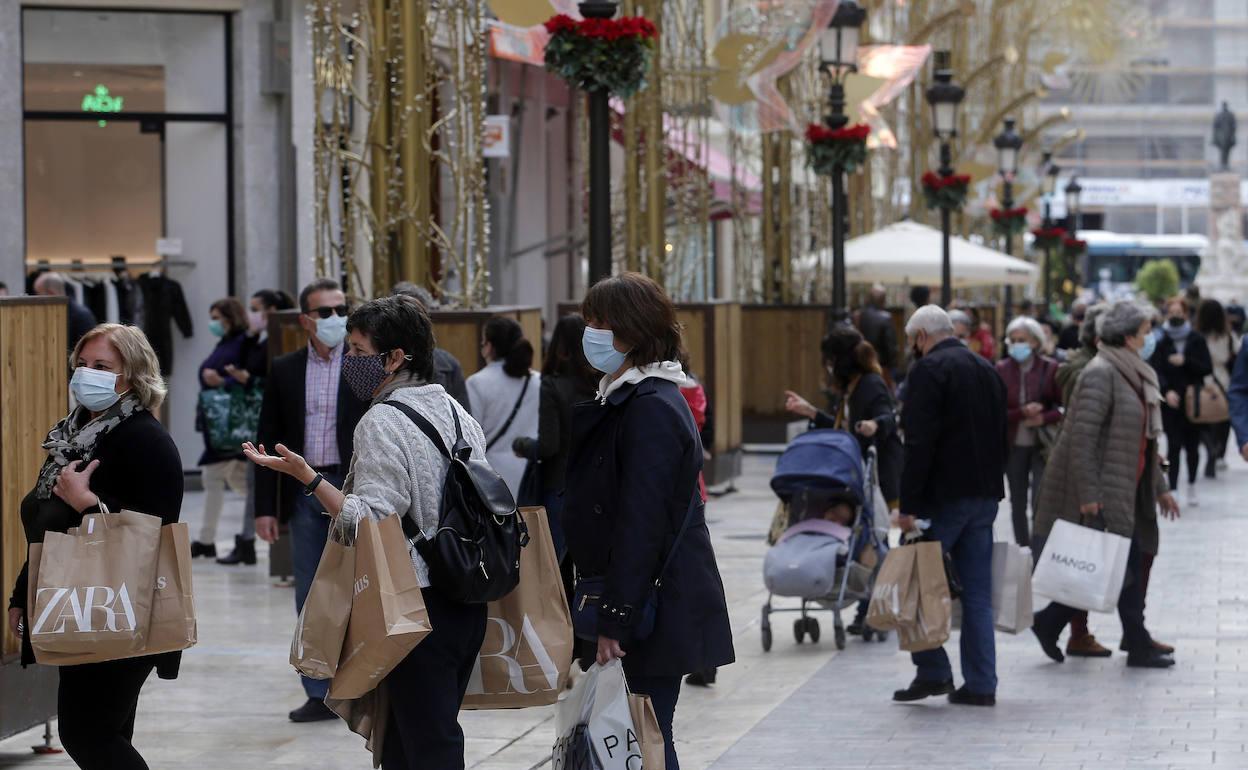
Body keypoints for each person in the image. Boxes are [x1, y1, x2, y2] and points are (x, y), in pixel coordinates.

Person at [244, 294, 488, 769]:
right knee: (407, 738)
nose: (348, 363)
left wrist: (309, 479)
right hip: (464, 594)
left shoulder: (381, 421)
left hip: (412, 603)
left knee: (427, 745)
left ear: (395, 358)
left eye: (357, 352)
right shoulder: (458, 412)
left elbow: (370, 521)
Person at [563, 272, 735, 769]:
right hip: (642, 601)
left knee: (644, 736)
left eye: (599, 323)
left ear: (632, 331)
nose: (589, 333)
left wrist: (616, 619)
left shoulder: (651, 406)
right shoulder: (629, 398)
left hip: (652, 607)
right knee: (637, 737)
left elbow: (642, 522)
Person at [7, 324, 182, 769]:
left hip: (122, 604)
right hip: (77, 599)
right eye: (82, 365)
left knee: (87, 734)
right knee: (107, 732)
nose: (87, 375)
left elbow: (156, 530)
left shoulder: (146, 439)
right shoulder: (72, 438)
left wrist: (89, 503)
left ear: (133, 375)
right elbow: (48, 524)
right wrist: (20, 595)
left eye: (102, 367)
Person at [1031, 301, 1181, 669]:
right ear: (1128, 336)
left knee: (1116, 564)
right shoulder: (1101, 373)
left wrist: (1159, 485)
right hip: (1106, 488)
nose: (1149, 339)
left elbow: (1144, 439)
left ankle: (1051, 623)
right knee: (1121, 564)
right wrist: (1089, 495)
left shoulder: (1135, 372)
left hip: (1129, 486)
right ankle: (1135, 641)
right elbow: (1081, 438)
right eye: (1145, 332)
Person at [252, 278, 370, 722]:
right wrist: (264, 507)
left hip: (354, 487)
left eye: (341, 309)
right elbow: (267, 437)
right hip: (305, 490)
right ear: (305, 319)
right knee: (310, 591)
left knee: (361, 589)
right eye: (324, 312)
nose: (335, 319)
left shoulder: (361, 365)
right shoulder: (284, 369)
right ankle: (319, 691)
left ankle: (361, 685)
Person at [891, 305, 1007, 707]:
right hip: (985, 496)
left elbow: (919, 443)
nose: (913, 350)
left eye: (913, 342)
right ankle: (981, 683)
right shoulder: (985, 367)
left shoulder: (928, 372)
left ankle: (933, 671)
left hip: (944, 498)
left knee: (919, 583)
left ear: (922, 335)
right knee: (976, 594)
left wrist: (907, 505)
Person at [784, 326, 903, 637]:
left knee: (876, 541)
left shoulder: (871, 385)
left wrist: (874, 425)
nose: (828, 366)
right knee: (869, 540)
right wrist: (809, 410)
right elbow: (842, 429)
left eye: (831, 359)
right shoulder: (851, 387)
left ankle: (874, 610)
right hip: (853, 475)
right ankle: (868, 609)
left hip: (876, 476)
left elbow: (889, 418)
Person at [511, 313, 599, 569]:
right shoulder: (600, 385)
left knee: (551, 569)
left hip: (559, 486)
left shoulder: (552, 386)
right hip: (595, 487)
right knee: (587, 568)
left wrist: (522, 445)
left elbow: (549, 445)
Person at [1050, 302, 1113, 658]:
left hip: (1089, 468)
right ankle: (1064, 626)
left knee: (1086, 551)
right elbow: (1086, 430)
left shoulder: (1085, 366)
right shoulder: (1088, 370)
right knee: (1085, 552)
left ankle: (1073, 628)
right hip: (1085, 471)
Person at [217, 288, 295, 566]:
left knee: (257, 478)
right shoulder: (259, 340)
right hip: (252, 418)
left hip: (268, 421)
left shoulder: (281, 342)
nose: (252, 314)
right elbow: (242, 361)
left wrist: (247, 378)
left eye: (256, 308)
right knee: (250, 480)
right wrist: (250, 336)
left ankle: (248, 540)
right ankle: (246, 539)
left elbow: (260, 376)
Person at [192, 297, 253, 558]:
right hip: (220, 424)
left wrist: (222, 381)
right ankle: (215, 538)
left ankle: (226, 537)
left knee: (229, 479)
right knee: (224, 478)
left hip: (231, 424)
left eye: (217, 317)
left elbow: (250, 377)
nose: (213, 323)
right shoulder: (227, 343)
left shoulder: (242, 344)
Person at [995, 317, 1062, 548]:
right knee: (1017, 502)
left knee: (1040, 502)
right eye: (1012, 340)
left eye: (1021, 340)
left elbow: (1063, 408)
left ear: (1034, 341)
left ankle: (1039, 551)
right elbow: (996, 411)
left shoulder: (1050, 367)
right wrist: (1021, 413)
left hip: (1043, 445)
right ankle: (1023, 550)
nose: (1016, 345)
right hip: (1013, 445)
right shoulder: (1001, 369)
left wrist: (1044, 417)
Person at [465, 316, 539, 497]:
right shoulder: (539, 381)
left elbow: (472, 435)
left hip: (494, 478)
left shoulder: (477, 383)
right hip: (533, 475)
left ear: (489, 346)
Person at [1149, 296, 1212, 506]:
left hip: (1193, 401)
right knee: (1173, 446)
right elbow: (1155, 369)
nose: (1175, 316)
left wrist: (1186, 361)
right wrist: (1166, 391)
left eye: (1179, 312)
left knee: (1192, 447)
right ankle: (1173, 486)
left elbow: (1206, 367)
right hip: (1171, 402)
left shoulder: (1196, 338)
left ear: (1186, 314)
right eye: (1172, 312)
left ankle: (1192, 484)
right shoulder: (1160, 339)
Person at [390, 282, 471, 412]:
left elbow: (464, 418)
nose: (410, 325)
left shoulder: (448, 366)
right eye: (403, 317)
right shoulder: (377, 364)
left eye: (417, 316)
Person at [1196, 298, 1238, 478]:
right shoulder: (1228, 336)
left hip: (1202, 383)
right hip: (1224, 382)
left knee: (1201, 419)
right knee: (1224, 418)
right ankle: (1219, 451)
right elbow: (1236, 356)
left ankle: (1209, 446)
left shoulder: (1196, 336)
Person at [34, 271, 97, 350]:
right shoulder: (53, 314)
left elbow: (89, 350)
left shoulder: (81, 316)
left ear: (50, 294)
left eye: (39, 294)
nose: (37, 299)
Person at [856, 284, 898, 379]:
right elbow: (890, 347)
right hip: (879, 367)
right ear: (883, 300)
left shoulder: (857, 316)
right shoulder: (886, 318)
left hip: (860, 366)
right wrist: (892, 366)